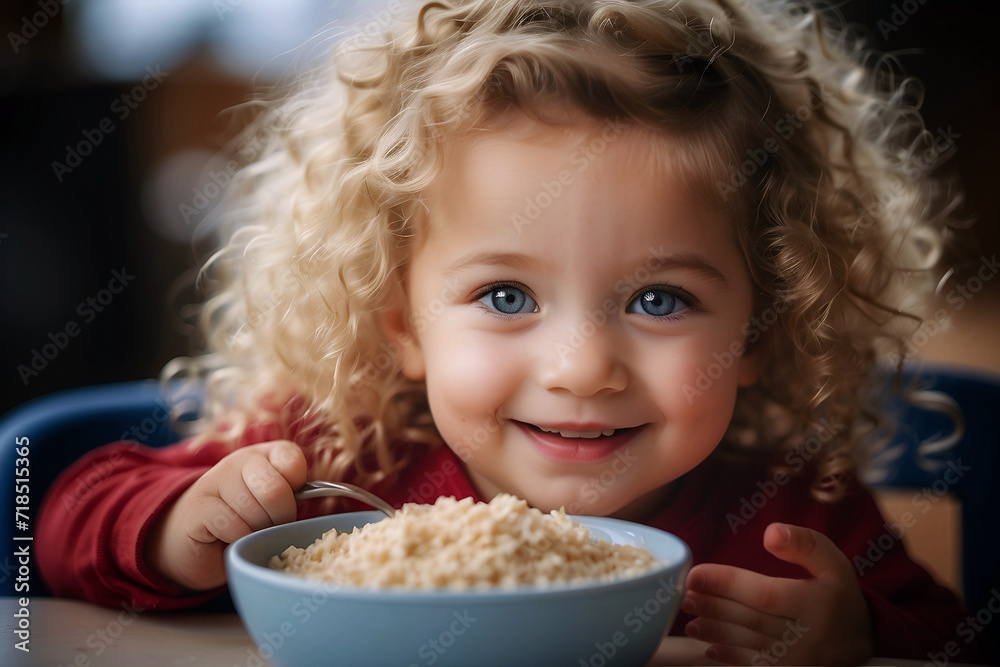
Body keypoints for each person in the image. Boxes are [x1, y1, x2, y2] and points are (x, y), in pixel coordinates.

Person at [37, 0, 990, 663]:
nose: (580, 368)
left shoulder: (790, 515)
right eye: (504, 297)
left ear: (763, 335)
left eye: (659, 300)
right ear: (401, 326)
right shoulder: (334, 463)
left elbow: (947, 626)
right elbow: (66, 514)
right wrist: (173, 531)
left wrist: (855, 630)